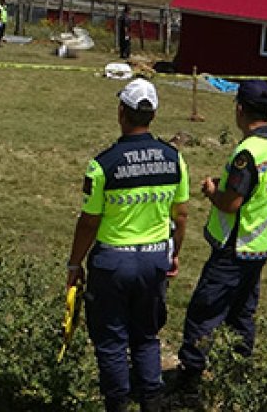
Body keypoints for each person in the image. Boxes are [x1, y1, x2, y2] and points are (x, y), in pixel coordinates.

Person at [66, 78, 189, 412]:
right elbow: (181, 215)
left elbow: (89, 221)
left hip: (112, 263)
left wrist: (75, 264)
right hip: (154, 261)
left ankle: (117, 405)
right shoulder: (174, 159)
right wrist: (174, 254)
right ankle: (152, 402)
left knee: (111, 341)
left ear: (122, 111)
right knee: (146, 338)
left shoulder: (102, 164)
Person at [176, 80, 267, 386]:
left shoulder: (247, 153)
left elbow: (232, 202)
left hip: (233, 248)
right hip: (260, 245)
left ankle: (189, 380)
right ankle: (239, 377)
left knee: (204, 312)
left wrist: (213, 191)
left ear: (240, 108)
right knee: (242, 314)